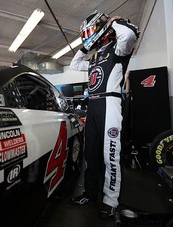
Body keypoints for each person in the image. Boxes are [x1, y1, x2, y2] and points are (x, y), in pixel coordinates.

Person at [70, 11, 139, 218]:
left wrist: (113, 23)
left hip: (110, 103)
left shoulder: (119, 49)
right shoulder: (96, 55)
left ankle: (110, 201)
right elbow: (74, 64)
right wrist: (88, 46)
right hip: (93, 105)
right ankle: (90, 194)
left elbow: (129, 35)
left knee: (110, 155)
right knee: (90, 154)